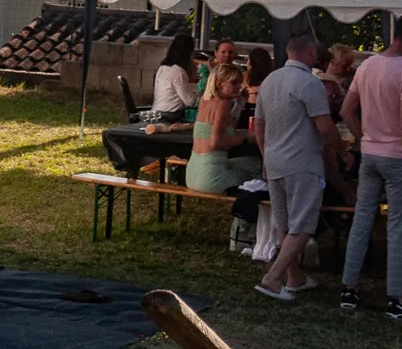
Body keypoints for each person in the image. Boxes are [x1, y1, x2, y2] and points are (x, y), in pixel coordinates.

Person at [338, 14, 402, 320]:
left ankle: (349, 287)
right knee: (398, 226)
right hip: (399, 155)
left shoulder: (367, 65)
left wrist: (363, 136)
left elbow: (346, 110)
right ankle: (396, 297)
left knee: (362, 219)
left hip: (370, 153)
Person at [254, 33, 349, 300]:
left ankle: (294, 276)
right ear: (310, 54)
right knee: (303, 224)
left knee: (284, 222)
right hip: (302, 161)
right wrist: (343, 152)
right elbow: (325, 127)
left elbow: (259, 124)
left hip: (274, 160)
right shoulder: (310, 83)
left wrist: (265, 154)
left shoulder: (269, 81)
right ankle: (273, 278)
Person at [187, 65, 261, 194]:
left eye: (239, 82)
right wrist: (245, 138)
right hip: (211, 178)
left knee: (252, 163)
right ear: (219, 83)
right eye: (234, 82)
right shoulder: (223, 104)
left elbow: (227, 125)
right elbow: (216, 143)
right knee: (257, 170)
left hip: (193, 174)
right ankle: (257, 205)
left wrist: (240, 102)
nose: (239, 86)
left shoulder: (205, 101)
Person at [147, 34, 198, 125]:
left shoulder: (163, 68)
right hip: (170, 117)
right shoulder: (178, 72)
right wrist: (192, 79)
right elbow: (191, 102)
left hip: (156, 113)